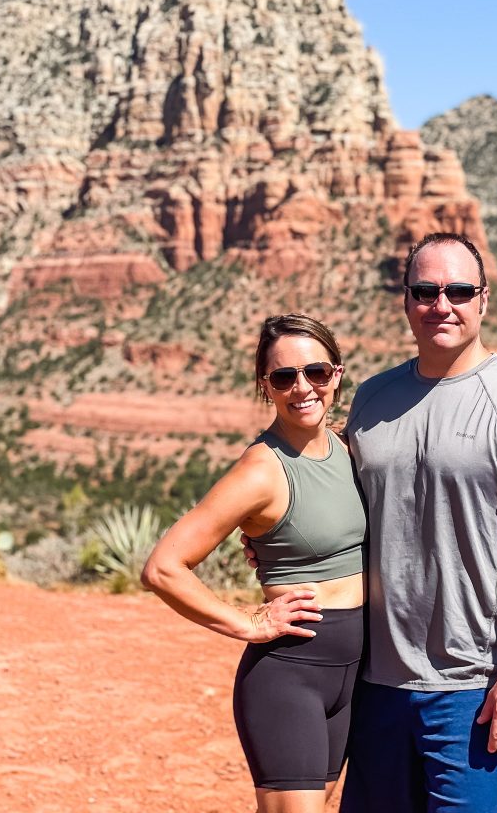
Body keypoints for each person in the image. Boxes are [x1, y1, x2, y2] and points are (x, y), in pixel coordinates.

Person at [246, 232, 497, 812]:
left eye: (458, 290)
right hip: (375, 685)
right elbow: (334, 495)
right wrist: (275, 539)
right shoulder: (374, 400)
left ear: (484, 300)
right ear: (406, 301)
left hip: (474, 690)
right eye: (425, 291)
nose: (441, 305)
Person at [142, 313, 367, 813]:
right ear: (266, 387)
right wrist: (247, 622)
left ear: (337, 373)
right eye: (284, 377)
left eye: (317, 372)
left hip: (352, 673)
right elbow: (163, 567)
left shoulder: (348, 448)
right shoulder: (262, 470)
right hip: (291, 675)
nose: (302, 388)